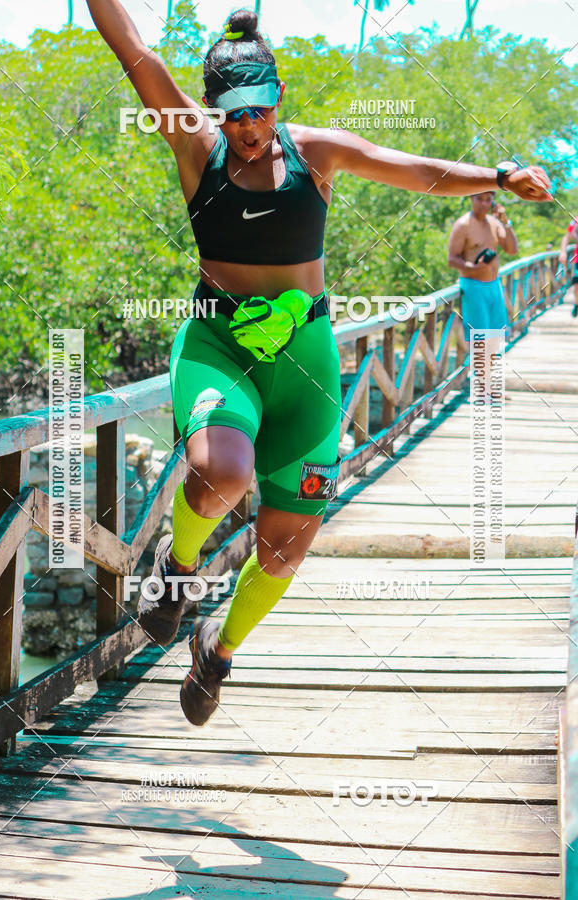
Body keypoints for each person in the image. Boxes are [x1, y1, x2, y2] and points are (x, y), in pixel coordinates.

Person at [86, 2, 552, 727]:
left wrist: (500, 174)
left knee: (288, 540)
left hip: (306, 359)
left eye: (260, 108)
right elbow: (131, 45)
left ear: (277, 97)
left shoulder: (317, 153)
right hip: (221, 346)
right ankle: (177, 572)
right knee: (224, 471)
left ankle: (220, 645)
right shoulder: (193, 145)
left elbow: (416, 172)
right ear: (213, 109)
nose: (248, 126)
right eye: (233, 113)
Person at [447, 191, 519, 398]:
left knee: (495, 337)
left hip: (493, 286)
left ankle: (489, 387)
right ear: (471, 199)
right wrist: (473, 267)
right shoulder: (463, 225)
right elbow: (452, 259)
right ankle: (482, 388)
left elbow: (512, 249)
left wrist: (506, 222)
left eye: (488, 199)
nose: (484, 204)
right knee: (480, 338)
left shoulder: (494, 223)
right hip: (473, 286)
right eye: (480, 199)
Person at [558, 218, 578, 317]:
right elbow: (567, 237)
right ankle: (577, 304)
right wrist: (563, 252)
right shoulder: (576, 220)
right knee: (577, 286)